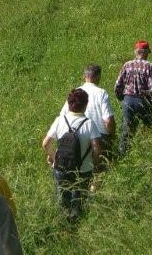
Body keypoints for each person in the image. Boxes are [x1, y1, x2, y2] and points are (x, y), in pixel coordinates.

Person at [42, 88, 102, 221]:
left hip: (61, 167)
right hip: (83, 169)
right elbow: (97, 149)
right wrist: (96, 166)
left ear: (68, 104)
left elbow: (45, 144)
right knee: (79, 200)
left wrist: (53, 158)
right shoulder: (90, 124)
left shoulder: (60, 120)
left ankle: (62, 223)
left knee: (62, 197)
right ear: (86, 105)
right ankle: (76, 223)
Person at [59, 64, 116, 167]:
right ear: (98, 77)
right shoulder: (101, 93)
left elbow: (63, 116)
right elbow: (108, 120)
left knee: (78, 169)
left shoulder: (75, 93)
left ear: (84, 77)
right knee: (100, 171)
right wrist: (112, 135)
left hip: (77, 137)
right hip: (99, 137)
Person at [114, 40, 152, 155]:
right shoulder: (150, 66)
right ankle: (148, 150)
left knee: (127, 128)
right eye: (147, 52)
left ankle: (123, 153)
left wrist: (122, 98)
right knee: (149, 125)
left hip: (128, 100)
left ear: (136, 52)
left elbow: (118, 85)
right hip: (143, 100)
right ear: (144, 53)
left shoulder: (127, 65)